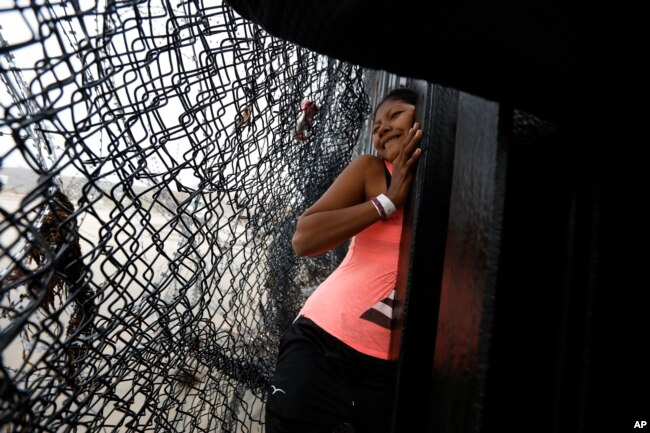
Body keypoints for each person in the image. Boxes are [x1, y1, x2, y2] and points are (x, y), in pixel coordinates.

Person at [265, 87, 423, 433]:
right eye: (376, 124)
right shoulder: (372, 170)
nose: (381, 129)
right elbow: (304, 239)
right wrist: (387, 201)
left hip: (388, 365)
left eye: (394, 116)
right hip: (324, 340)